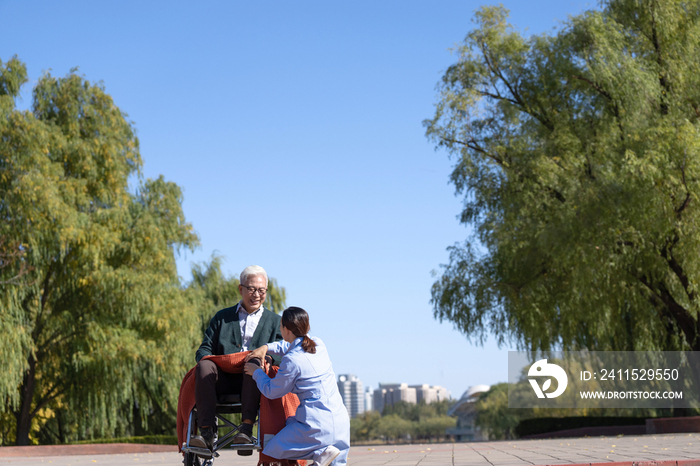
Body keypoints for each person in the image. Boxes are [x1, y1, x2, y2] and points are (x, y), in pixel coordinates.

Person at [190, 265, 283, 452]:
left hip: (256, 382)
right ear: (241, 289)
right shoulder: (222, 318)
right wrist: (205, 358)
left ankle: (246, 430)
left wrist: (268, 359)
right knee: (204, 366)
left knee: (255, 361)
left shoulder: (275, 321)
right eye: (251, 289)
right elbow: (204, 348)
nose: (256, 294)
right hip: (222, 378)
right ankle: (206, 433)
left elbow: (283, 351)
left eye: (261, 290)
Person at [244, 307, 350, 466]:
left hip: (316, 427)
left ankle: (320, 455)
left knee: (272, 449)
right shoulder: (319, 344)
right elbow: (288, 346)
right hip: (340, 422)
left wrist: (257, 373)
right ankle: (322, 456)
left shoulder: (292, 361)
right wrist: (267, 347)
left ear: (285, 329)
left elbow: (272, 391)